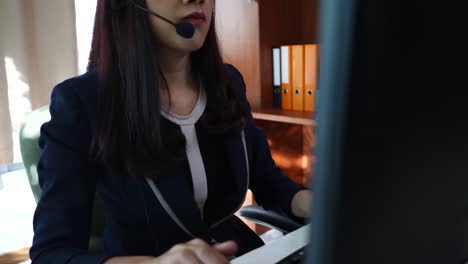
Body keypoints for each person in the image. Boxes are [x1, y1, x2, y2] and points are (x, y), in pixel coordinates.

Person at [29, 0, 312, 263]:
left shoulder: (227, 83)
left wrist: (316, 203)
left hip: (238, 253)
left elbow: (266, 180)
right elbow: (52, 253)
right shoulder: (82, 102)